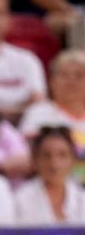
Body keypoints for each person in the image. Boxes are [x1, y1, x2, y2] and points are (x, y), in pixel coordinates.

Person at [19, 50, 85, 181]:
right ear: (51, 81)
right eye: (64, 75)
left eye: (79, 76)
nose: (71, 82)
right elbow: (30, 154)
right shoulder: (39, 113)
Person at [15, 126, 85, 224]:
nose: (54, 164)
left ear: (73, 160)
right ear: (35, 160)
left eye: (62, 155)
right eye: (46, 155)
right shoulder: (21, 198)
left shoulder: (81, 198)